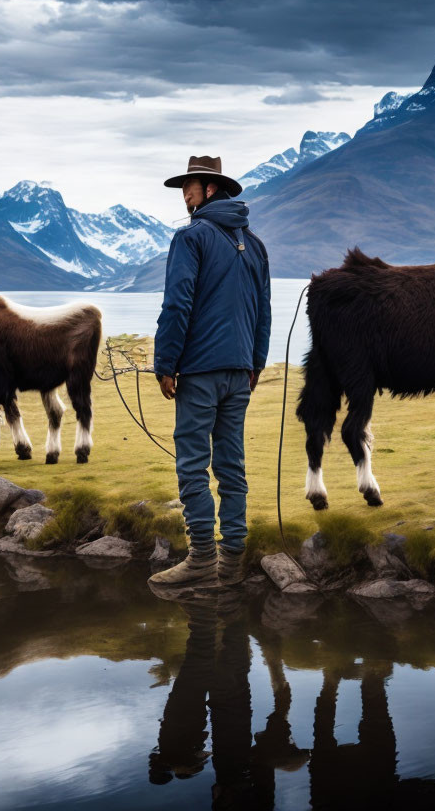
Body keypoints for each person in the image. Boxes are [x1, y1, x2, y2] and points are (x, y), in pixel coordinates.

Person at [149, 155, 271, 588]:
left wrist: (166, 363)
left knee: (192, 465)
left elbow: (177, 304)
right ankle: (231, 563)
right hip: (240, 371)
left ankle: (201, 559)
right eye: (184, 185)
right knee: (231, 464)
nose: (185, 193)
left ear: (211, 189)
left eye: (191, 185)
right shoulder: (255, 244)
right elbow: (263, 313)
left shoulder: (191, 237)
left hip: (199, 372)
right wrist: (255, 363)